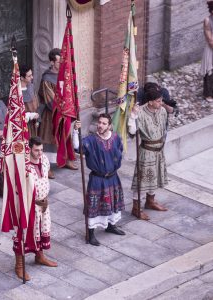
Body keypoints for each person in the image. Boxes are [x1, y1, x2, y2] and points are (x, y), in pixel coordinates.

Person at [73, 114, 126, 246]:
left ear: (109, 126)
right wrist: (75, 130)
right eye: (99, 122)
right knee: (94, 205)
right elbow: (77, 147)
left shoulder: (116, 138)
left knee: (112, 203)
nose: (100, 125)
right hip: (97, 179)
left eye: (103, 123)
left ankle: (110, 226)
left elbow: (119, 151)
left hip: (113, 177)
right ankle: (90, 234)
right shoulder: (91, 140)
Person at [12, 136, 58, 281]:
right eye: (36, 150)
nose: (39, 153)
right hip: (28, 206)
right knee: (23, 234)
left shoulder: (44, 159)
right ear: (29, 149)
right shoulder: (23, 166)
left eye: (41, 150)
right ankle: (19, 266)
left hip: (44, 204)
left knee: (42, 229)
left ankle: (40, 256)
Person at [128, 83, 169, 220]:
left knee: (155, 176)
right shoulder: (140, 112)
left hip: (159, 151)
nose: (161, 103)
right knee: (141, 180)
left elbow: (163, 127)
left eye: (161, 100)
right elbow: (132, 131)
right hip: (146, 151)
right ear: (150, 102)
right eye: (158, 101)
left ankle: (150, 201)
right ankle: (136, 208)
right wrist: (133, 116)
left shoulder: (162, 111)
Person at [38, 48, 77, 176]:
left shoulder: (65, 75)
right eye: (59, 61)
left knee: (65, 136)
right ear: (52, 62)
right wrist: (62, 108)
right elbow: (50, 99)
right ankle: (46, 166)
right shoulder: (47, 79)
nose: (61, 64)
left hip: (65, 113)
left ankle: (65, 160)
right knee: (49, 139)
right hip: (51, 114)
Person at [20, 65, 40, 138]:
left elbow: (36, 104)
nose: (32, 77)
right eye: (29, 76)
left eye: (32, 75)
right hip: (23, 127)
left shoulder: (31, 86)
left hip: (34, 124)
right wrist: (29, 115)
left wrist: (37, 118)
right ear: (22, 78)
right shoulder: (16, 93)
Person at [201, 1, 213, 103]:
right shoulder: (207, 20)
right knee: (210, 72)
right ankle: (208, 93)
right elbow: (210, 39)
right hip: (211, 50)